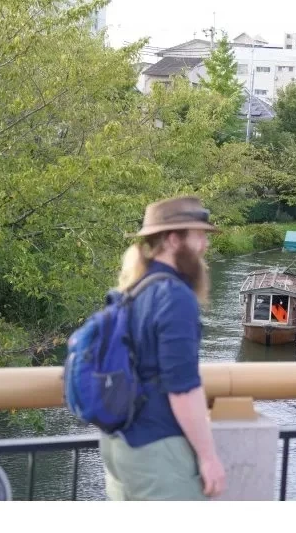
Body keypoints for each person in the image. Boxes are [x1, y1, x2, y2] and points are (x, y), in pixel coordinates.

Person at [99, 196, 226, 501]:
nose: (205, 245)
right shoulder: (175, 297)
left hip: (117, 445)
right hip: (157, 449)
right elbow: (182, 389)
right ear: (172, 240)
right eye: (199, 236)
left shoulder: (132, 290)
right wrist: (209, 458)